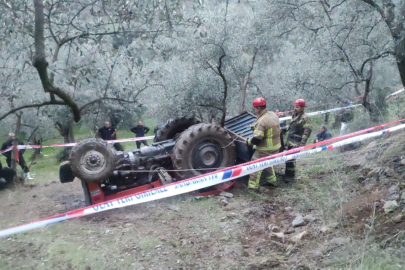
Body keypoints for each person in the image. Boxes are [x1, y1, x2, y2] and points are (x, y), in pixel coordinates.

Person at [246, 97, 281, 190]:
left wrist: (248, 142)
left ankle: (252, 187)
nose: (254, 110)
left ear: (259, 108)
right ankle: (272, 181)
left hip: (266, 148)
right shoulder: (273, 114)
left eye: (254, 108)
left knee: (255, 164)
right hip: (276, 146)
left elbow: (257, 139)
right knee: (267, 162)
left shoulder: (262, 121)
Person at [284, 99, 312, 178]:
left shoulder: (305, 117)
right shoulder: (294, 115)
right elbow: (290, 126)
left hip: (296, 142)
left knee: (291, 159)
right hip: (290, 140)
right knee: (287, 158)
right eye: (295, 106)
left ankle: (290, 177)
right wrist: (283, 129)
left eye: (298, 107)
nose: (295, 108)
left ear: (302, 107)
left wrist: (302, 144)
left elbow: (307, 131)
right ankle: (288, 174)